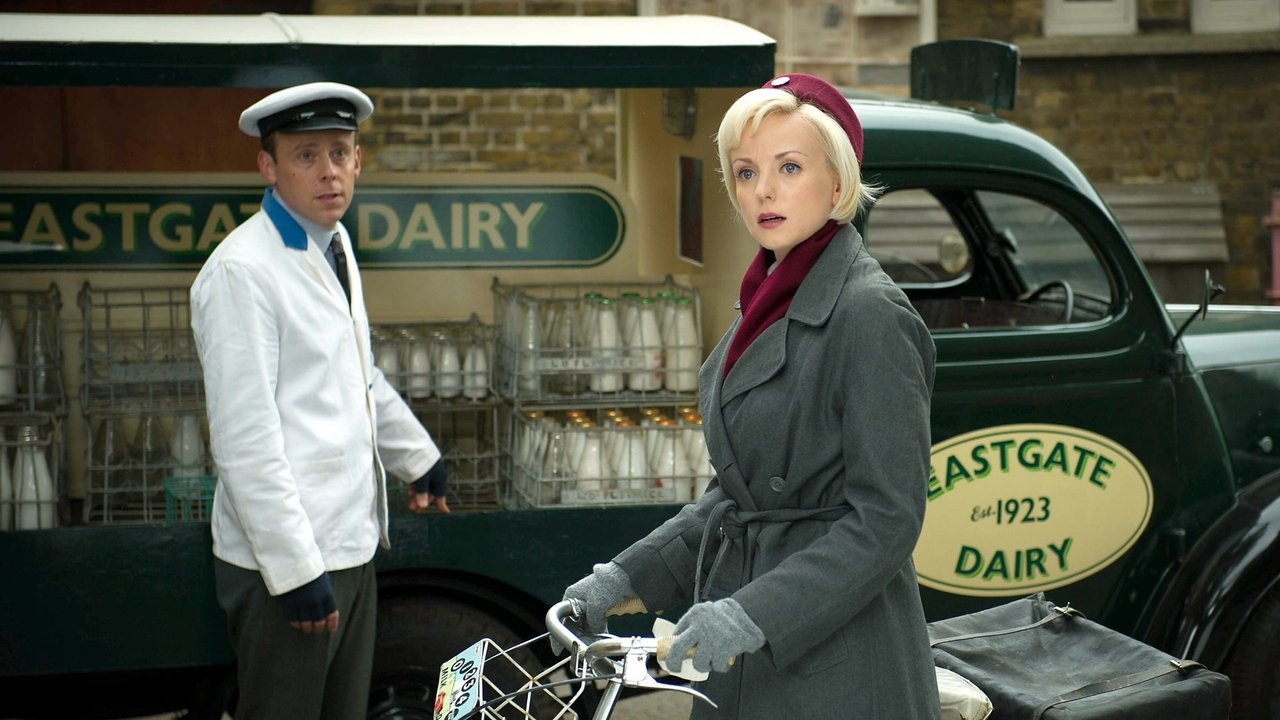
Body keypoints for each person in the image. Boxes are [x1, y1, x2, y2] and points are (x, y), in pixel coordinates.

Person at [561, 73, 940, 719]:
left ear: (839, 183)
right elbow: (740, 498)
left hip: (838, 667)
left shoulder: (870, 313)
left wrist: (752, 614)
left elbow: (887, 519)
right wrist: (625, 577)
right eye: (745, 172)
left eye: (789, 167)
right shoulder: (766, 301)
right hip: (744, 655)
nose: (762, 190)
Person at [190, 81, 450, 720]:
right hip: (286, 562)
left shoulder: (331, 242)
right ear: (268, 166)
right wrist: (294, 570)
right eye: (305, 155)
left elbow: (357, 374)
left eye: (339, 152)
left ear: (358, 160)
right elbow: (244, 441)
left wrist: (418, 459)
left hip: (347, 543)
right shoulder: (242, 271)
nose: (328, 171)